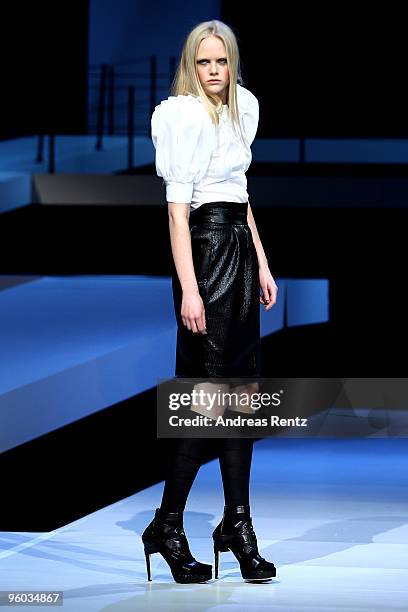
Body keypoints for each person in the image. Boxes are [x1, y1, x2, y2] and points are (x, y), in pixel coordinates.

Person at [142, 19, 278, 584]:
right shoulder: (179, 116)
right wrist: (190, 288)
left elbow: (243, 199)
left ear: (233, 63)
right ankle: (178, 524)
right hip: (204, 250)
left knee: (238, 393)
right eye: (204, 63)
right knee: (211, 394)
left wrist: (264, 265)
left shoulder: (243, 107)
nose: (214, 72)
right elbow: (177, 213)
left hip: (241, 250)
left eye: (221, 62)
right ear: (191, 66)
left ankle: (230, 523)